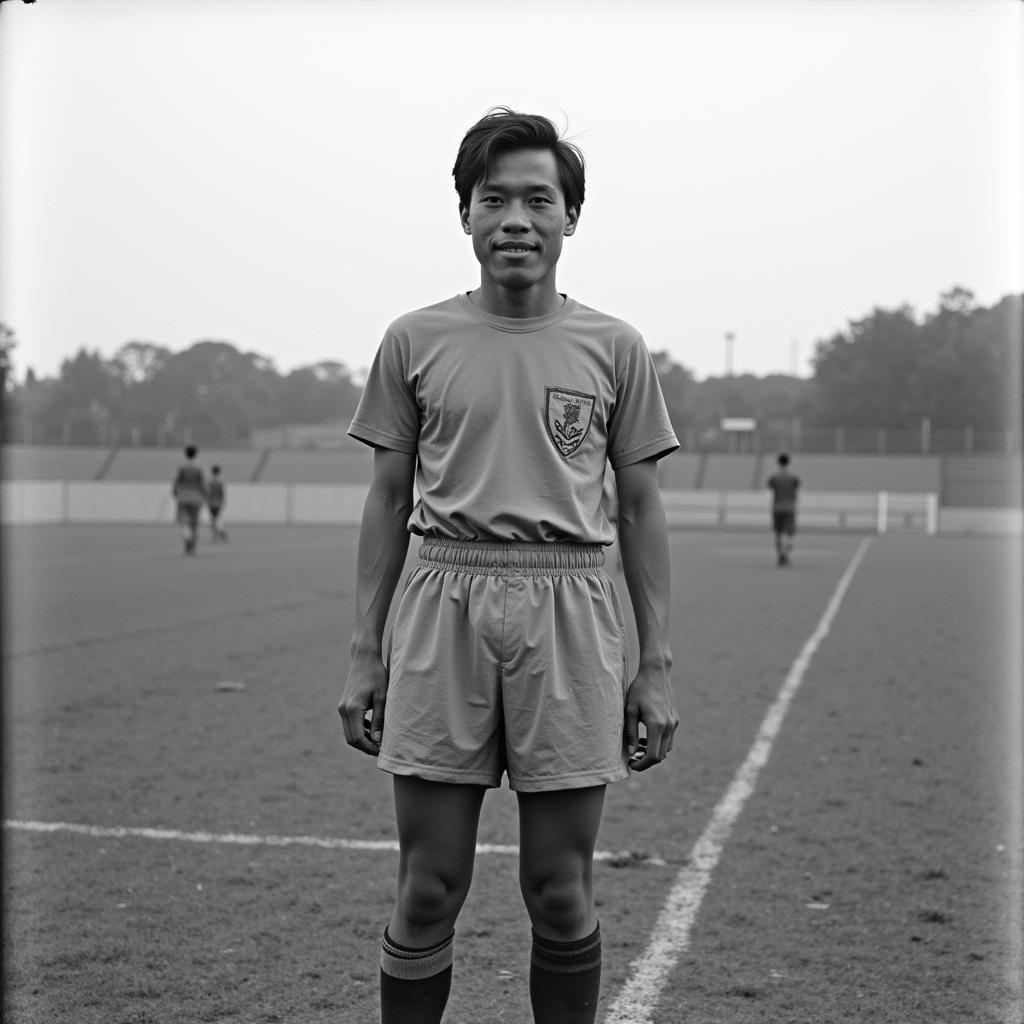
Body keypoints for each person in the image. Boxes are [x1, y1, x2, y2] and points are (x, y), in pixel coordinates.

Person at [338, 107, 680, 1024]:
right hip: (442, 599)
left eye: (539, 199)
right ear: (466, 215)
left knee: (560, 890)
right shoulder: (414, 339)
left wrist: (655, 665)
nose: (516, 219)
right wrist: (364, 652)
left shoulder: (615, 347)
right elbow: (384, 497)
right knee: (428, 886)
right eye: (495, 199)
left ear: (572, 216)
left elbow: (641, 506)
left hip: (570, 608)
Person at [171, 445, 207, 555]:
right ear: (196, 454)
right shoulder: (199, 467)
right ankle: (192, 547)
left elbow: (177, 482)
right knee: (194, 524)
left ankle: (187, 541)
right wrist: (205, 495)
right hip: (196, 498)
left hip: (183, 497)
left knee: (184, 522)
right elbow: (203, 484)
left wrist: (175, 493)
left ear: (185, 454)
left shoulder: (182, 467)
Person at [767, 452, 800, 566]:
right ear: (788, 463)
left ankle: (780, 554)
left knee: (778, 533)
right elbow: (796, 488)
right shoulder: (793, 478)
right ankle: (785, 553)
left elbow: (770, 486)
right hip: (789, 508)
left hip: (777, 507)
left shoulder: (774, 477)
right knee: (789, 534)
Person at [207, 465, 228, 542]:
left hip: (211, 502)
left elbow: (208, 493)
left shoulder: (210, 481)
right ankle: (222, 532)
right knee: (217, 519)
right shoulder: (220, 481)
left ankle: (216, 535)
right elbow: (222, 493)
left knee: (213, 520)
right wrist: (223, 501)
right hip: (218, 502)